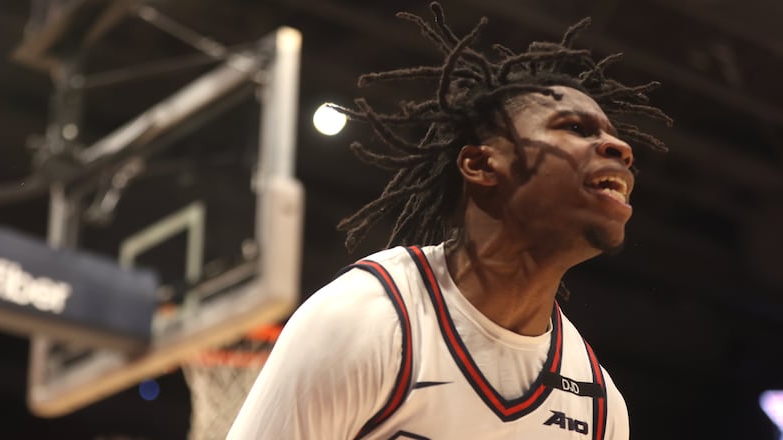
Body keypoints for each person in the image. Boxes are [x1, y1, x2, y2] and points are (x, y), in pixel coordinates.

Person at [228, 3, 671, 439]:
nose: (618, 147)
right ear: (481, 165)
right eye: (575, 128)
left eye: (614, 135)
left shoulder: (598, 407)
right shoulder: (370, 319)